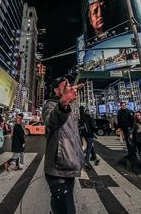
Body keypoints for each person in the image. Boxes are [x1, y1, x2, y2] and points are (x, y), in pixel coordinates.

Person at [42, 75, 85, 214]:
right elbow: (51, 122)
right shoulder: (51, 105)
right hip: (58, 169)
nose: (68, 87)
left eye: (69, 85)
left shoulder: (70, 110)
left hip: (69, 166)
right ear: (55, 91)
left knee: (59, 205)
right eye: (64, 86)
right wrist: (64, 102)